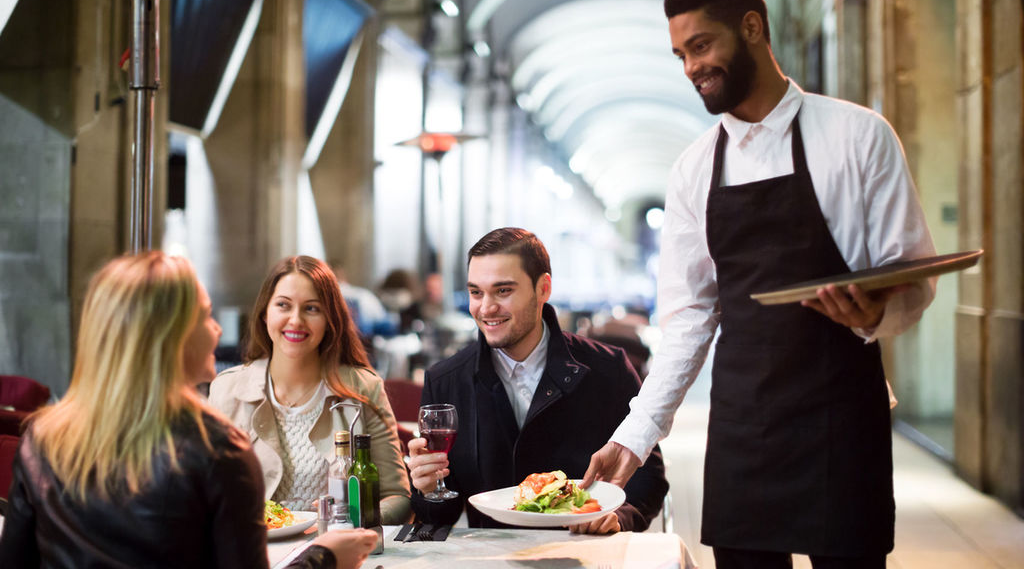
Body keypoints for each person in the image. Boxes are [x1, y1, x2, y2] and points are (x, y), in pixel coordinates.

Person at [583, 0, 937, 567]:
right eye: (679, 55)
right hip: (745, 428)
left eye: (700, 46)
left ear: (752, 27)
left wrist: (874, 315)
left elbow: (912, 273)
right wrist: (634, 434)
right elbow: (689, 320)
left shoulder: (858, 136)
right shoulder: (694, 168)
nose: (691, 66)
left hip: (843, 420)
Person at [0, 251, 377, 568]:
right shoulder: (218, 451)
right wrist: (323, 557)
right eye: (205, 316)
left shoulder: (42, 440)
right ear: (170, 338)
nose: (216, 330)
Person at [407, 228, 669, 534]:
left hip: (583, 554)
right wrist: (426, 488)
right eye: (476, 292)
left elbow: (648, 478)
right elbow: (441, 516)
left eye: (503, 291)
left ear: (543, 289)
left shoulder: (608, 369)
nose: (486, 308)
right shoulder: (446, 381)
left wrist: (620, 517)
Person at [209, 255, 412, 524]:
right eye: (283, 305)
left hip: (337, 554)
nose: (295, 320)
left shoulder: (364, 388)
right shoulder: (226, 389)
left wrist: (352, 517)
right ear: (264, 313)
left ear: (330, 319)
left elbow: (397, 497)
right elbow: (205, 495)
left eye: (312, 309)